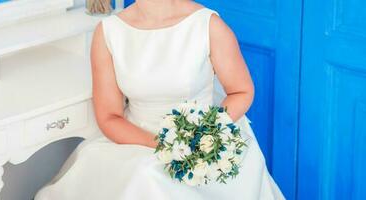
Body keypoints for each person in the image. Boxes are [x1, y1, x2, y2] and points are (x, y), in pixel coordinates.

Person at [36, 1, 284, 199]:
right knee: (145, 176)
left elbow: (242, 91)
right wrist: (166, 145)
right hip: (137, 139)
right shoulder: (109, 32)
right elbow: (108, 116)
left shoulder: (208, 25)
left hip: (202, 139)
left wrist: (201, 135)